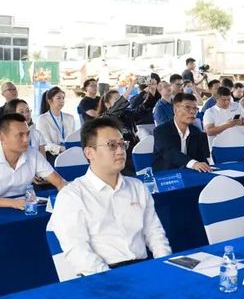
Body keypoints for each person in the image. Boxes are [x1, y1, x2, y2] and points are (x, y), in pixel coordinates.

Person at [47, 116, 171, 275]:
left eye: (122, 144)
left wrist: (164, 265)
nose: (120, 151)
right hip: (102, 275)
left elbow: (155, 233)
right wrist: (111, 278)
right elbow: (78, 251)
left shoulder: (137, 186)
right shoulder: (72, 196)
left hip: (142, 268)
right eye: (111, 145)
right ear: (89, 153)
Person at [0, 113, 65, 209]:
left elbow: (60, 182)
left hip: (23, 207)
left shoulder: (33, 153)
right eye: (20, 135)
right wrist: (12, 203)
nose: (26, 139)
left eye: (27, 134)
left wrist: (70, 193)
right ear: (2, 138)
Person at [152, 93, 211, 172]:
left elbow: (201, 158)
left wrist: (206, 168)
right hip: (166, 175)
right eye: (187, 107)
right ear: (175, 109)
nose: (192, 112)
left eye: (195, 108)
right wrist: (193, 164)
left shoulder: (195, 132)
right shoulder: (161, 131)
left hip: (189, 174)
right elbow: (170, 152)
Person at [97, 90, 139, 168]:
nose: (121, 102)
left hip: (132, 151)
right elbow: (114, 111)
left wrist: (148, 92)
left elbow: (141, 108)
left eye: (121, 98)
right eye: (117, 100)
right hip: (116, 154)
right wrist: (130, 88)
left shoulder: (127, 114)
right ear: (107, 105)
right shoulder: (105, 118)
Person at [36, 86, 76, 159]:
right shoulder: (42, 119)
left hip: (70, 154)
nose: (62, 101)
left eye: (63, 98)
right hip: (52, 156)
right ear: (50, 101)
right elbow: (46, 143)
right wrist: (62, 149)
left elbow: (73, 138)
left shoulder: (70, 118)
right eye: (58, 98)